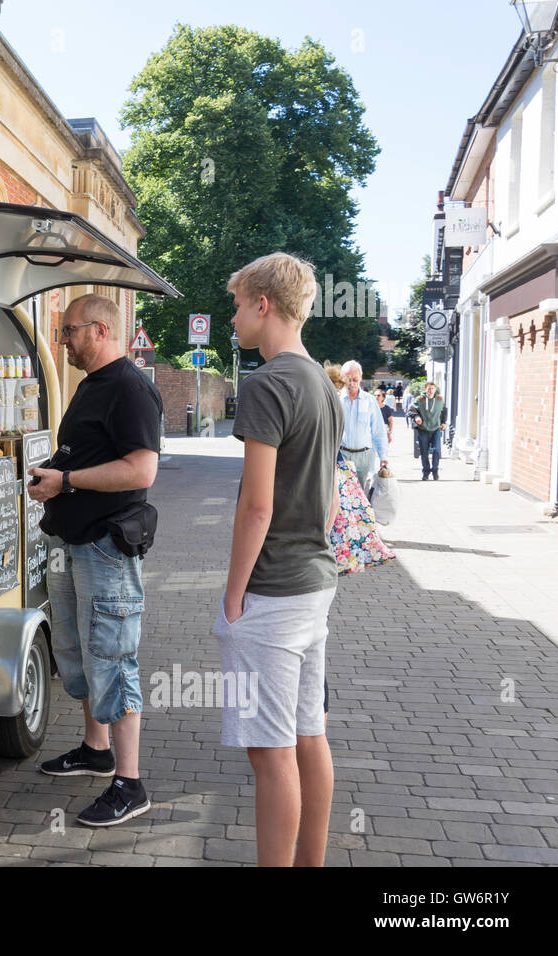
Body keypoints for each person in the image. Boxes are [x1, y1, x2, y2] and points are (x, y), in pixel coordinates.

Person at [215, 252, 342, 867]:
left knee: (270, 753)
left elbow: (256, 508)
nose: (233, 318)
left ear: (263, 305)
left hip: (272, 591)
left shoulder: (265, 385)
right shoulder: (321, 381)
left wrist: (234, 595)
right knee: (307, 735)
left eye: (237, 305)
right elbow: (334, 493)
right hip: (315, 582)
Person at [29, 293, 161, 827]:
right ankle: (95, 747)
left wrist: (67, 480)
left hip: (107, 547)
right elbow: (87, 454)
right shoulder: (93, 386)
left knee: (113, 656)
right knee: (80, 652)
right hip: (74, 540)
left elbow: (141, 470)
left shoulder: (130, 388)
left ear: (102, 329)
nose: (64, 341)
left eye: (70, 331)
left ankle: (129, 783)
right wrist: (57, 471)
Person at [337, 360, 388, 494]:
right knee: (343, 497)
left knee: (362, 496)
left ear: (361, 378)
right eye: (348, 379)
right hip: (342, 455)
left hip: (365, 456)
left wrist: (383, 456)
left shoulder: (370, 400)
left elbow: (378, 431)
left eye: (355, 379)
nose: (351, 383)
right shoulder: (336, 399)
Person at [412, 380, 447, 480]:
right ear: (425, 389)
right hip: (423, 429)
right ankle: (426, 472)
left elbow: (444, 411)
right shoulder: (420, 399)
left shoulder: (440, 399)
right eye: (429, 388)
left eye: (432, 388)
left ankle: (435, 471)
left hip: (436, 429)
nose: (430, 390)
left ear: (435, 389)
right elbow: (412, 410)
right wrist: (417, 417)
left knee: (436, 450)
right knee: (424, 452)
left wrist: (443, 422)